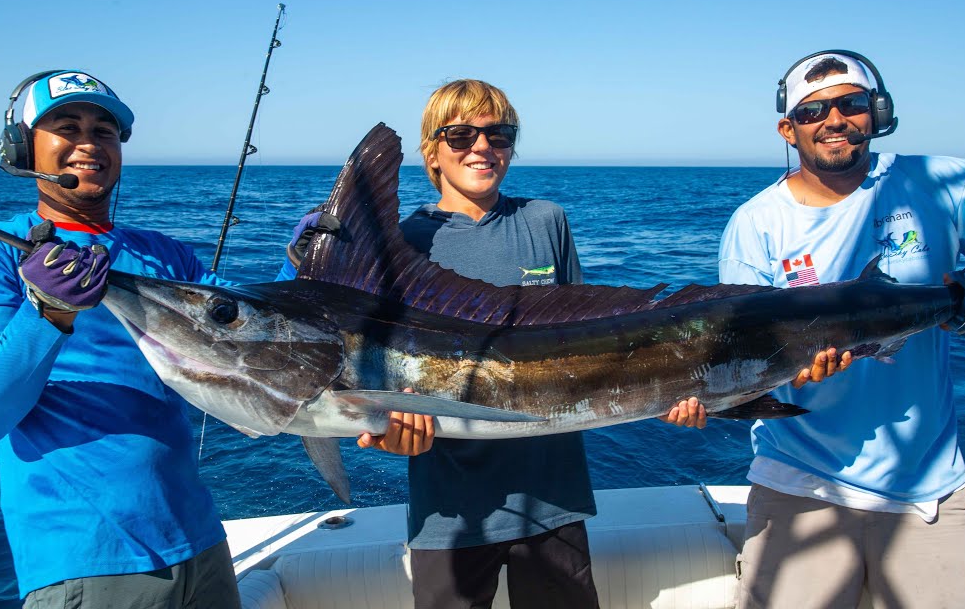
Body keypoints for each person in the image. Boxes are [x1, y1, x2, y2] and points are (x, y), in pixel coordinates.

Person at [278, 78, 710, 608]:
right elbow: (373, 379)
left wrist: (670, 389)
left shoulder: (546, 221)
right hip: (450, 512)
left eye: (499, 135)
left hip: (553, 497)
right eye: (460, 135)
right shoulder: (407, 242)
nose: (482, 147)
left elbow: (600, 341)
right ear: (432, 152)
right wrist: (385, 433)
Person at [0, 69, 242, 609]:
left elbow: (253, 334)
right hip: (87, 563)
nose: (88, 143)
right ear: (23, 147)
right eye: (66, 127)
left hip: (203, 544)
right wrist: (45, 312)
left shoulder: (166, 255)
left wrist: (303, 264)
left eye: (104, 130)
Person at [717, 50, 965, 608]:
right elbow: (740, 360)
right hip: (799, 485)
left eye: (852, 104)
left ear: (878, 112)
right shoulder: (755, 224)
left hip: (932, 491)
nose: (834, 120)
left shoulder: (940, 182)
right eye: (814, 110)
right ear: (787, 128)